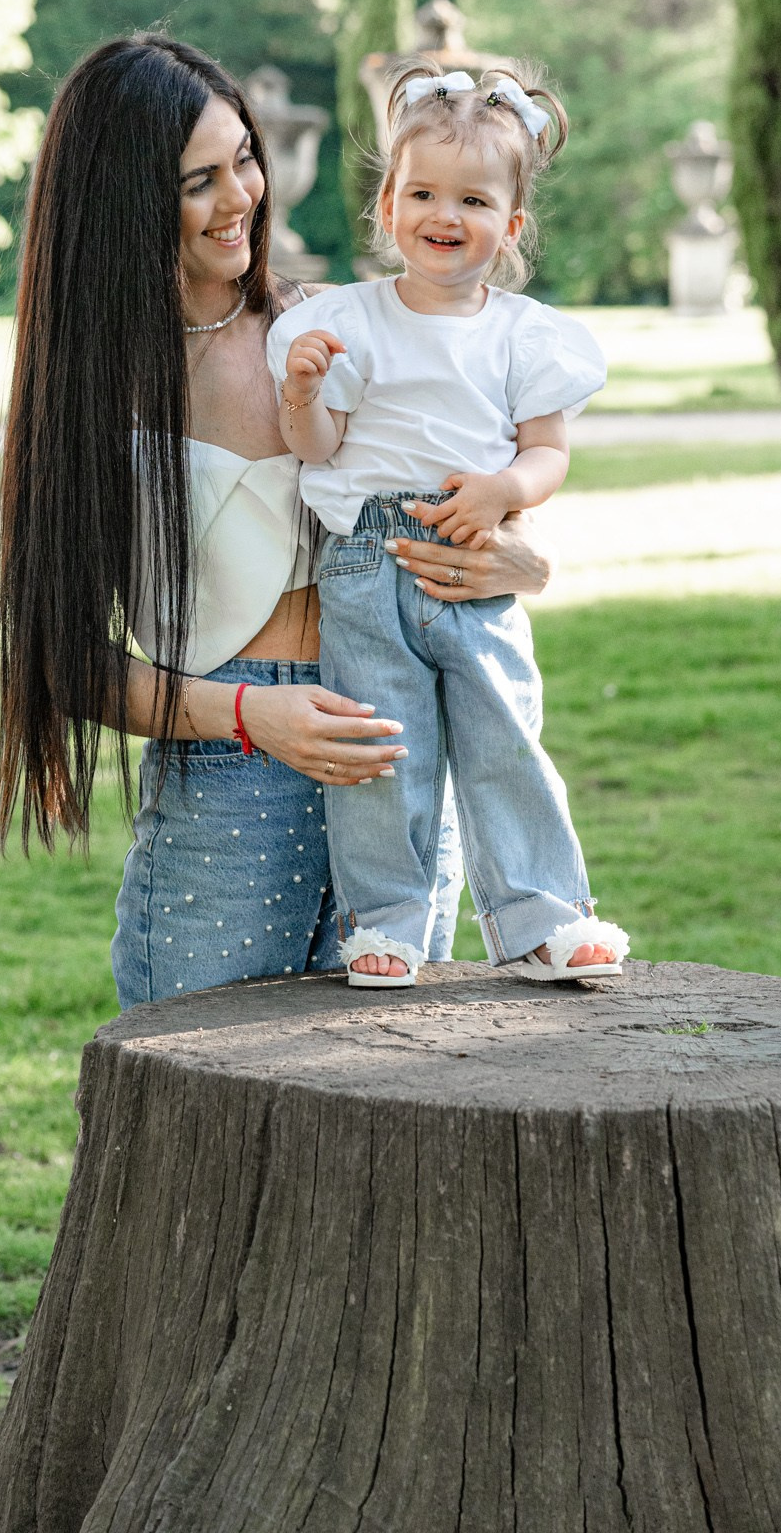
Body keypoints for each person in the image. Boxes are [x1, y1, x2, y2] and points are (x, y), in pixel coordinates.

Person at [0, 34, 555, 1007]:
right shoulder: (94, 390)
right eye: (198, 181)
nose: (240, 195)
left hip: (397, 749)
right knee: (202, 1082)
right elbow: (62, 661)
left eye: (243, 158)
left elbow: (482, 497)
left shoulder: (339, 328)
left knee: (391, 1076)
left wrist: (518, 563)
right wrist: (247, 715)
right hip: (229, 789)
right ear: (124, 200)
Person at [270, 62, 630, 988]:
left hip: (475, 560)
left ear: (510, 226)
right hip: (367, 562)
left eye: (474, 199)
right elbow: (317, 449)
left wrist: (504, 490)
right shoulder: (349, 322)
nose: (445, 214)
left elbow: (547, 454)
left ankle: (542, 919)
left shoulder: (522, 334)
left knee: (504, 741)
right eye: (424, 192)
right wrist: (302, 392)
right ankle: (386, 925)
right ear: (387, 205)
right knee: (383, 748)